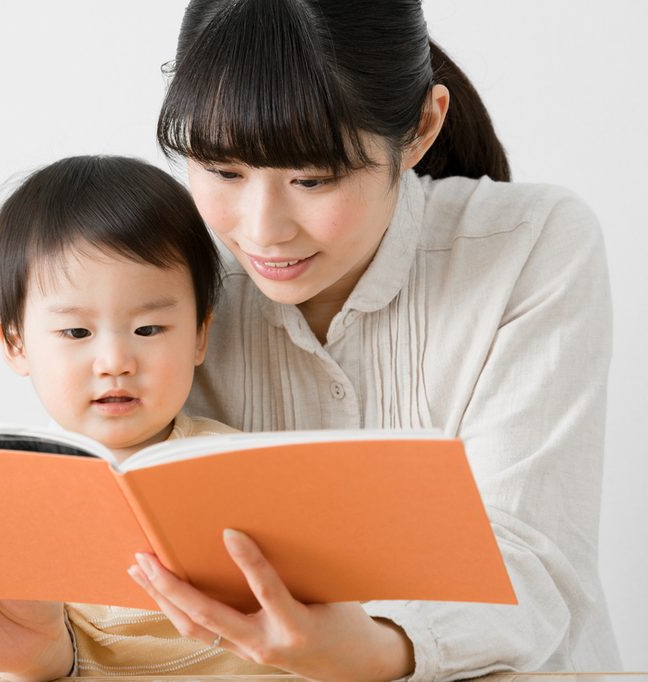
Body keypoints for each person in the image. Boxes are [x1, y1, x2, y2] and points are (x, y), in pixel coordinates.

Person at [122, 0, 622, 680]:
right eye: (223, 172)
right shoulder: (170, 276)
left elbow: (533, 561)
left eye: (312, 178)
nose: (262, 231)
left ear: (419, 127)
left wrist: (378, 646)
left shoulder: (528, 244)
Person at [0, 155, 287, 679]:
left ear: (200, 335)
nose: (115, 362)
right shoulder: (2, 492)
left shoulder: (244, 469)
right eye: (76, 334)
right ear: (15, 343)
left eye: (149, 330)